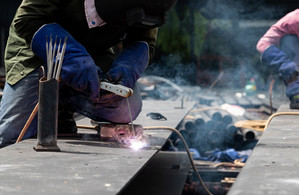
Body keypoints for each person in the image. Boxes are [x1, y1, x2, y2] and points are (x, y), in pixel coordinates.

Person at [0, 0, 177, 148]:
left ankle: (62, 106)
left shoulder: (150, 4)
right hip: (38, 49)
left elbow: (144, 39)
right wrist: (71, 55)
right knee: (11, 135)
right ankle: (55, 104)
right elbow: (28, 18)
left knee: (126, 107)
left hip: (94, 52)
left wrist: (128, 67)